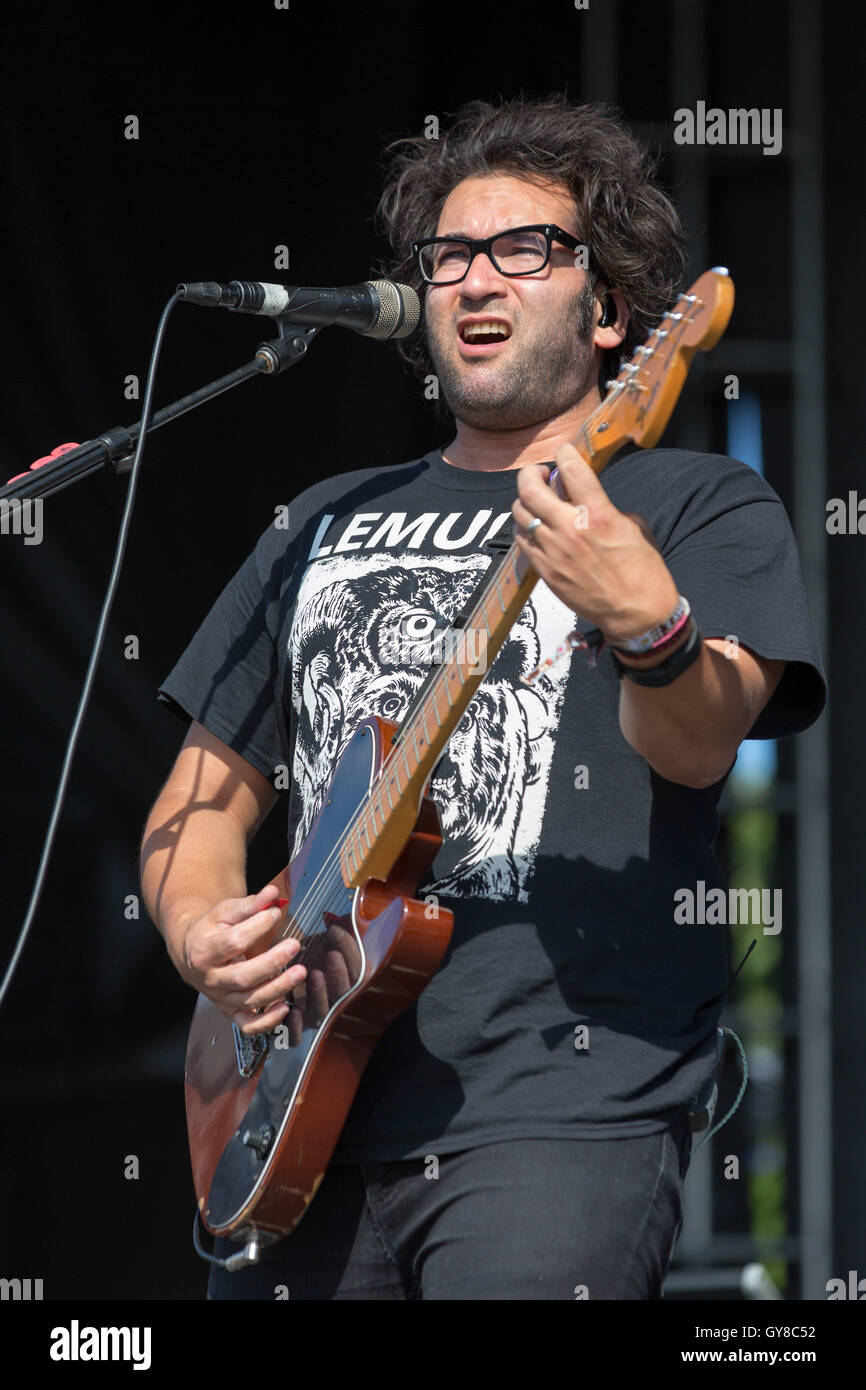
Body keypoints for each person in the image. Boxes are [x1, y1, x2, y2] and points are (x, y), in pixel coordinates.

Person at [140, 94, 826, 1300]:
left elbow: (697, 743)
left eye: (526, 250)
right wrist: (202, 935)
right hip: (293, 1113)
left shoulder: (688, 503)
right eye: (447, 255)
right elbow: (200, 799)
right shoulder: (318, 519)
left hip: (560, 1115)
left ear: (613, 313)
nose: (473, 279)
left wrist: (645, 623)